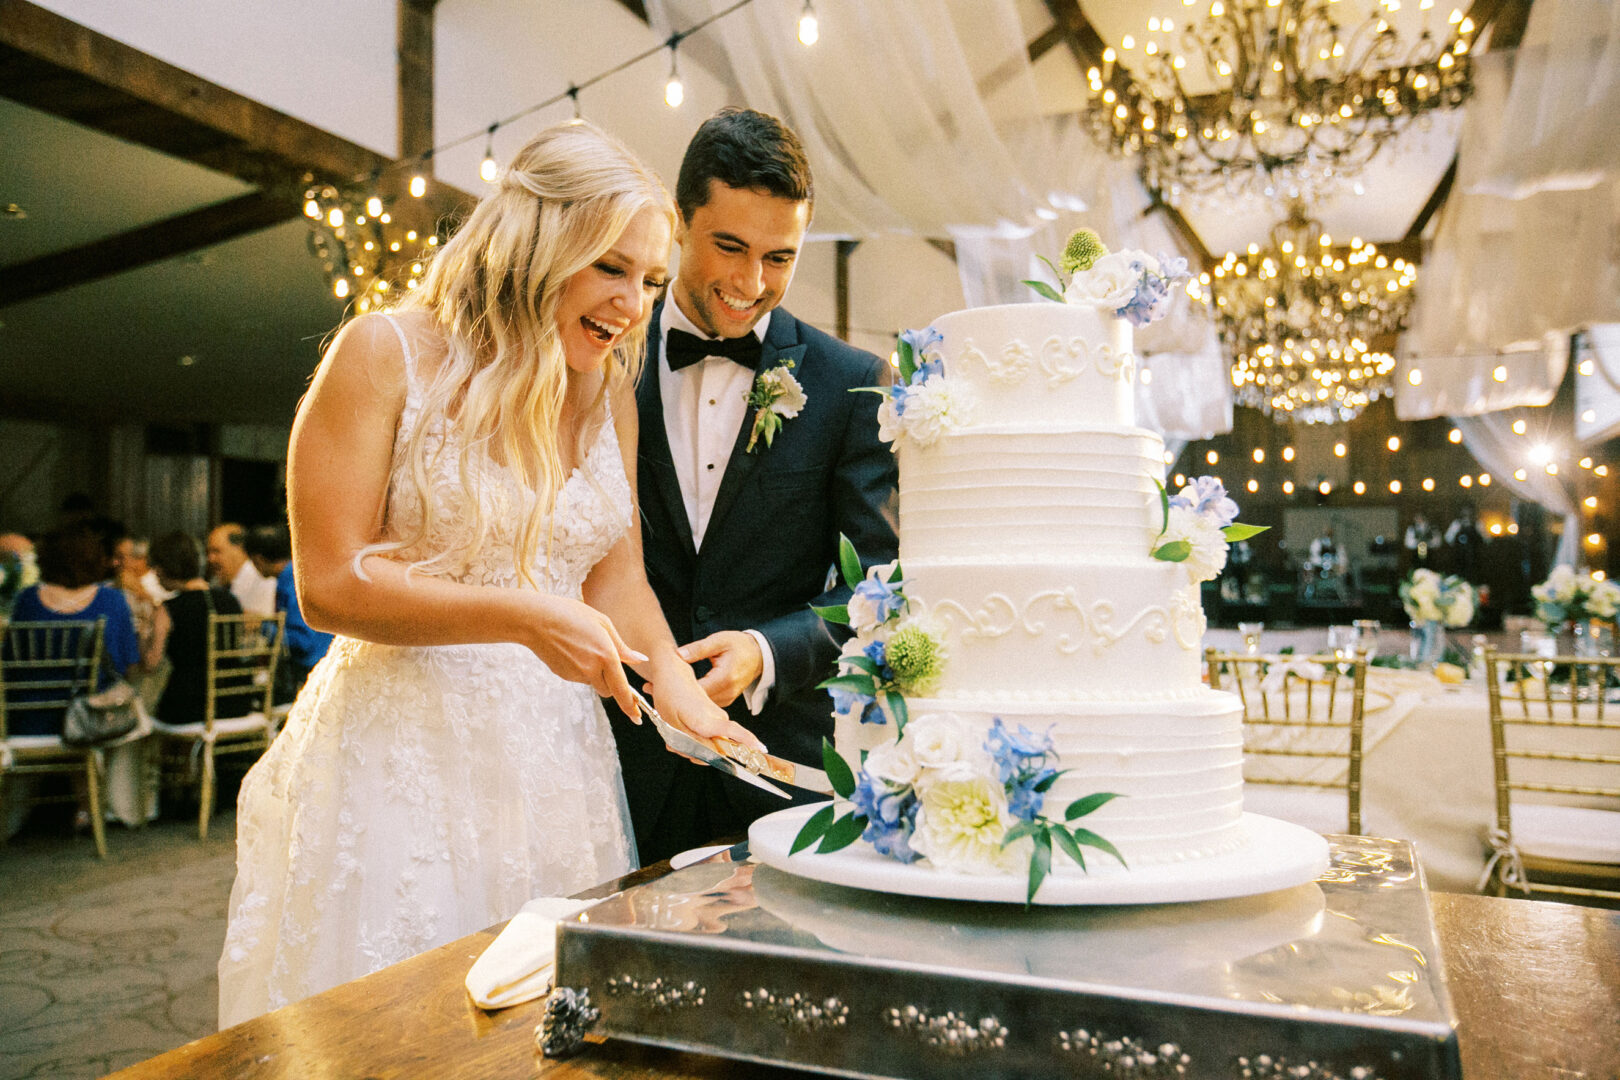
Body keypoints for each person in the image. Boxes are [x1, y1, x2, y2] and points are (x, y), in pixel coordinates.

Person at [217, 121, 761, 1026]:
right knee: (398, 1024)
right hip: (401, 752)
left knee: (533, 1017)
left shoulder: (606, 389)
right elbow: (329, 583)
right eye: (611, 269)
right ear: (539, 244)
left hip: (555, 762)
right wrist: (522, 617)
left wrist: (681, 688)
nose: (633, 304)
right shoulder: (382, 353)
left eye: (650, 281)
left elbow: (616, 581)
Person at [607, 108, 898, 865]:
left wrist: (768, 651)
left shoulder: (851, 384)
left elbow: (881, 589)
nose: (750, 283)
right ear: (679, 223)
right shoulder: (602, 356)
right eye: (729, 247)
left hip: (773, 774)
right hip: (613, 761)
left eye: (780, 257)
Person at [3, 524, 141, 836]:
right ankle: (95, 808)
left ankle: (19, 814)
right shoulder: (112, 601)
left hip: (27, 722)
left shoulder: (27, 601)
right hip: (88, 724)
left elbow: (10, 663)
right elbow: (127, 665)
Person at [145, 531, 253, 729]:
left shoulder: (167, 609)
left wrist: (144, 634)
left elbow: (151, 663)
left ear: (161, 569)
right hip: (234, 701)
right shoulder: (230, 600)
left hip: (189, 706)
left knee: (147, 709)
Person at [242, 522, 332, 698]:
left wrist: (261, 625)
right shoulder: (294, 574)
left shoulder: (292, 583)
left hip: (312, 671)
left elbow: (302, 641)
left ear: (258, 559)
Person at [206, 523, 276, 616]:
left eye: (216, 551)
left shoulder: (261, 579)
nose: (211, 559)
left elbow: (263, 621)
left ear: (238, 550)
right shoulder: (216, 582)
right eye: (208, 552)